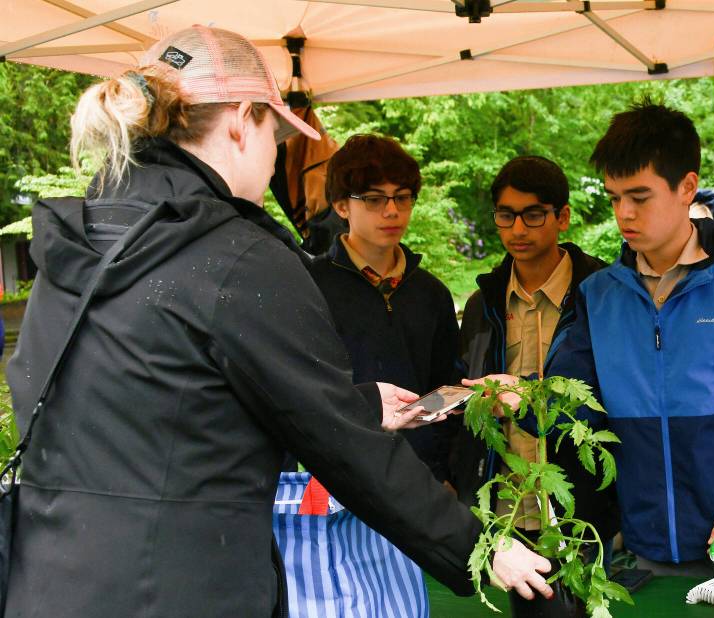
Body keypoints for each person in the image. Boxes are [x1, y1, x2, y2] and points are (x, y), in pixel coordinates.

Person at [3, 26, 551, 617]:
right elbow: (342, 447)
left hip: (50, 581)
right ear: (243, 119)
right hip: (178, 588)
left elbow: (162, 397)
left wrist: (361, 404)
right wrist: (481, 547)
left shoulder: (87, 239)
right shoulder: (236, 255)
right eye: (276, 134)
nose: (276, 159)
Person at [467, 102, 714, 578]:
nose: (624, 213)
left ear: (686, 187)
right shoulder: (598, 295)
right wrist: (525, 400)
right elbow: (570, 408)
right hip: (643, 552)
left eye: (639, 197)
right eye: (615, 196)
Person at [452, 155, 619, 546]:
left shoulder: (602, 294)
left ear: (562, 217)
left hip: (583, 513)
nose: (518, 229)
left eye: (533, 215)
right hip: (503, 509)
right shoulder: (483, 302)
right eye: (506, 216)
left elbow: (617, 397)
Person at [309, 134, 461, 484]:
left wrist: (443, 473)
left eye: (402, 198)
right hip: (338, 480)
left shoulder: (431, 293)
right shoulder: (309, 287)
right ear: (341, 205)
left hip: (419, 479)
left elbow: (445, 392)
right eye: (374, 199)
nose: (392, 211)